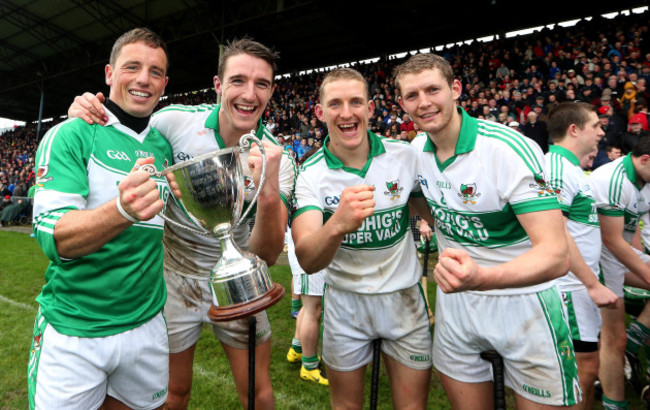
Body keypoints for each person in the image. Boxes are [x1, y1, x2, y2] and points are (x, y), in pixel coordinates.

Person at [68, 38, 295, 409]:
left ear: (272, 90)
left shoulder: (278, 158)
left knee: (258, 391)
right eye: (237, 80)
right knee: (174, 393)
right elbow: (122, 125)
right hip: (176, 278)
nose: (249, 94)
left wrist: (268, 190)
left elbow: (268, 254)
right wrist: (89, 110)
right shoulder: (174, 122)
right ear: (219, 85)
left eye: (262, 84)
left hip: (240, 281)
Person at [394, 53, 578, 408]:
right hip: (458, 307)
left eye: (433, 89)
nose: (424, 102)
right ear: (402, 103)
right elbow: (423, 202)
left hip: (525, 304)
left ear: (456, 89)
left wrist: (481, 276)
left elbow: (556, 255)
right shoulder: (416, 152)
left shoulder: (506, 148)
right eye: (412, 96)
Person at [28, 28, 173, 409]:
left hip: (147, 326)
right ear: (109, 74)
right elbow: (54, 238)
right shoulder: (72, 134)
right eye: (133, 67)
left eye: (155, 72)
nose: (144, 79)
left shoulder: (166, 144)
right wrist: (121, 210)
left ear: (164, 84)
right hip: (75, 330)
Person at [292, 68, 432, 409]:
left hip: (404, 300)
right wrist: (336, 225)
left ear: (370, 109)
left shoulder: (405, 156)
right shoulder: (311, 174)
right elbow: (308, 259)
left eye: (356, 102)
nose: (346, 112)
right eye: (335, 104)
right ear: (320, 112)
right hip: (345, 304)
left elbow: (432, 214)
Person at [544, 102, 618, 409]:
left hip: (579, 286)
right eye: (596, 125)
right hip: (570, 288)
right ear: (574, 130)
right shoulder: (558, 169)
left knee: (586, 367)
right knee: (582, 370)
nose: (602, 131)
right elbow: (555, 232)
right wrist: (591, 284)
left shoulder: (571, 169)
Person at [590, 137, 650, 409]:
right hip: (598, 256)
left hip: (617, 251)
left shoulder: (643, 178)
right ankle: (614, 403)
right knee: (614, 338)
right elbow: (612, 240)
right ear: (645, 159)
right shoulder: (613, 181)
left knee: (619, 340)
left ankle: (636, 339)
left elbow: (634, 227)